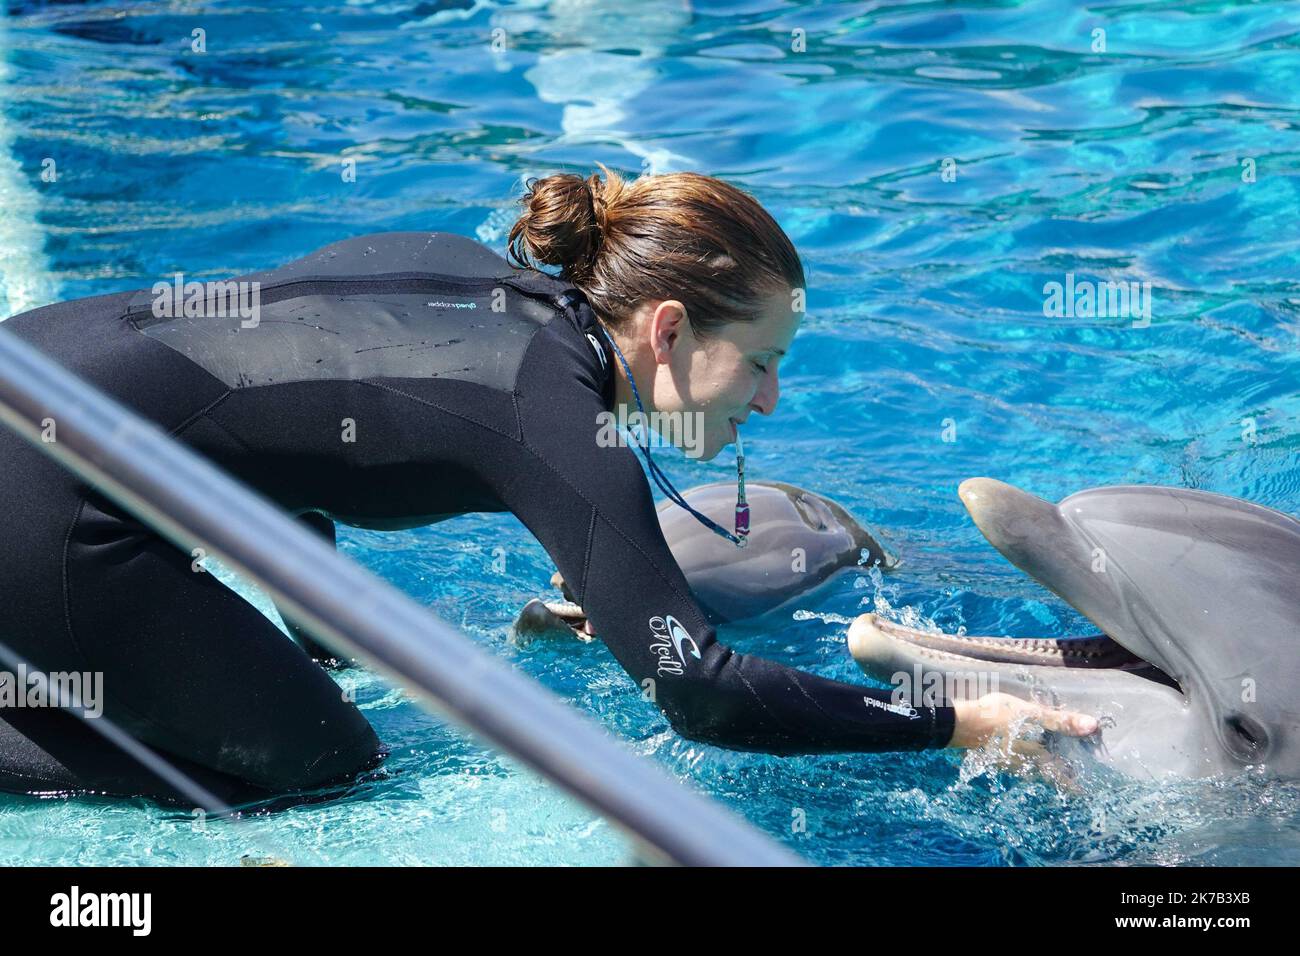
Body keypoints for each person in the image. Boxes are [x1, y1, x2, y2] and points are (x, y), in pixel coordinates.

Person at [0, 165, 1096, 803]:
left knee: (299, 701)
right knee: (317, 763)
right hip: (46, 494)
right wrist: (956, 722)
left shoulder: (466, 276)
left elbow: (259, 417)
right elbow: (701, 690)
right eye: (760, 362)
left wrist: (316, 638)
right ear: (666, 329)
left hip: (24, 379)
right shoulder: (553, 406)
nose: (766, 402)